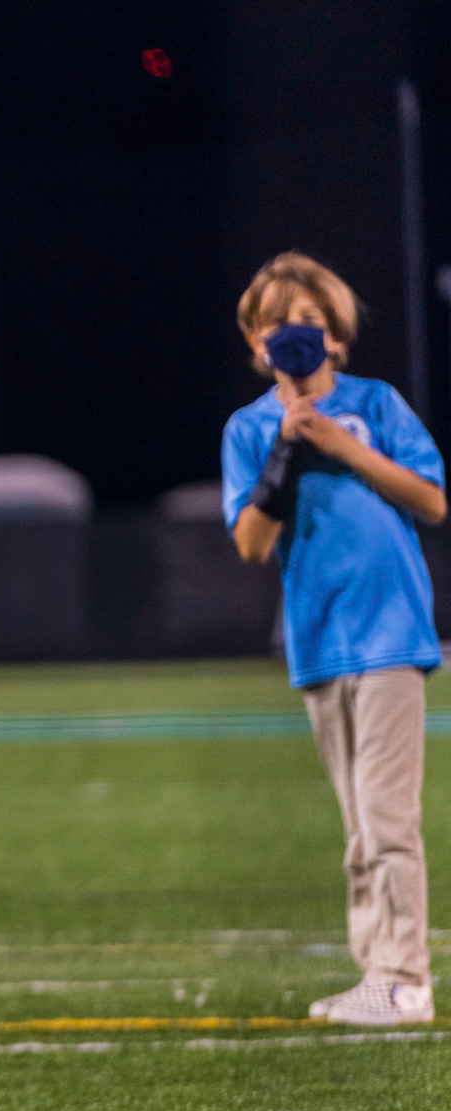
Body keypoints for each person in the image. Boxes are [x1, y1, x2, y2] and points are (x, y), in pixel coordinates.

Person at [221, 251, 444, 1028]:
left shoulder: (376, 405)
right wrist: (287, 448)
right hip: (320, 638)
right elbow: (250, 543)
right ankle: (376, 972)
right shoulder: (249, 429)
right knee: (359, 827)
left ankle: (407, 977)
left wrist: (342, 445)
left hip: (390, 631)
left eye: (310, 324)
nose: (295, 337)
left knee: (388, 819)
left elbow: (430, 498)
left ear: (338, 337)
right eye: (279, 325)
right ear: (255, 342)